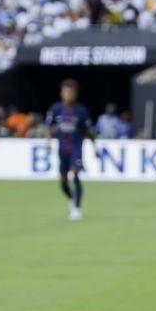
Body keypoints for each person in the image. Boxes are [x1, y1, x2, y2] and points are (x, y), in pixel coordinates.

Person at [45, 79, 98, 220]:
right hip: (62, 150)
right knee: (63, 181)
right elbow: (49, 127)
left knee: (75, 174)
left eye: (70, 91)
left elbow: (89, 131)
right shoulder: (56, 109)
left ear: (75, 94)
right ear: (61, 93)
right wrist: (49, 143)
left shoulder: (81, 111)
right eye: (65, 91)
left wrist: (94, 147)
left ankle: (76, 208)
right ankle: (72, 199)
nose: (68, 94)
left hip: (76, 149)